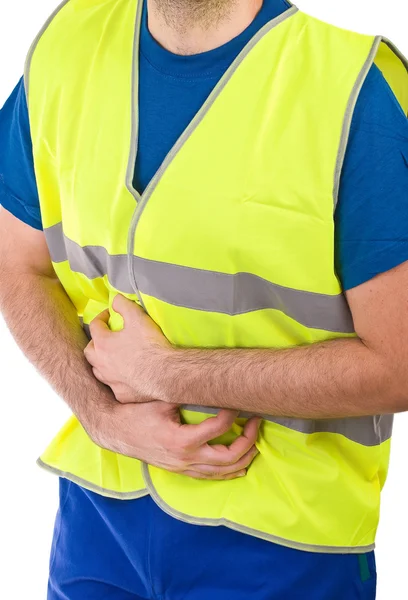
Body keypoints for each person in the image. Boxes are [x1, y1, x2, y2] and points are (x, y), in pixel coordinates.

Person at [0, 0, 407, 597]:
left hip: (283, 541)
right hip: (99, 521)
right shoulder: (68, 41)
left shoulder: (353, 87)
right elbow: (17, 265)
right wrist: (101, 416)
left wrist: (167, 373)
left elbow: (398, 364)